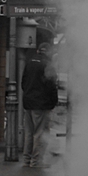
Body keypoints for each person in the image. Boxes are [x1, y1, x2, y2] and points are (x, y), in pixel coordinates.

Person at [21, 39, 58, 168]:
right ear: (48, 52)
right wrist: (53, 102)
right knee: (40, 134)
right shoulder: (48, 65)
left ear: (38, 51)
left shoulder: (30, 62)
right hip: (41, 104)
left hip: (28, 103)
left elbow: (23, 82)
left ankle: (26, 160)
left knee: (29, 133)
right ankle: (36, 162)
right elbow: (52, 87)